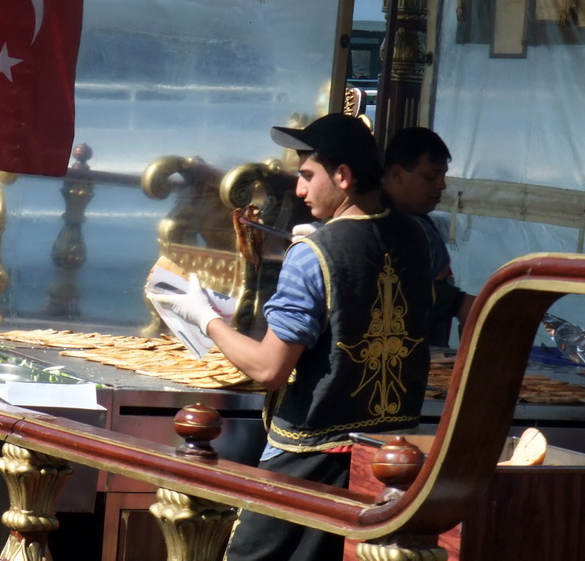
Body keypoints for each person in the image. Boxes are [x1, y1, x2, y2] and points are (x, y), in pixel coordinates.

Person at [154, 113, 433, 561]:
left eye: (307, 175)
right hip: (389, 462)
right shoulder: (415, 237)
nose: (299, 191)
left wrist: (204, 317)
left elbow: (269, 368)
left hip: (311, 454)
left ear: (342, 176)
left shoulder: (313, 254)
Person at [383, 127, 474, 347]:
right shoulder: (379, 228)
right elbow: (398, 293)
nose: (441, 185)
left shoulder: (419, 223)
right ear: (397, 174)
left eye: (443, 176)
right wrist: (457, 302)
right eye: (431, 176)